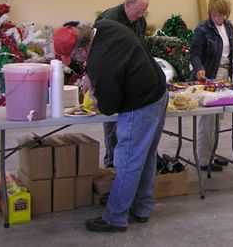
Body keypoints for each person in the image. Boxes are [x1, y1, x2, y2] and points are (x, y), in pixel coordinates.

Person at [53, 19, 167, 232]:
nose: (76, 62)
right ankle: (141, 209)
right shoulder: (104, 26)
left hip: (141, 102)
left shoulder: (100, 62)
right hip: (158, 91)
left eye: (76, 56)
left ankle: (115, 218)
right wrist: (88, 75)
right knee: (146, 155)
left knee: (127, 161)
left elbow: (109, 106)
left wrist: (96, 99)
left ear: (84, 48)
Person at [190, 0, 233, 172]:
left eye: (221, 15)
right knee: (207, 120)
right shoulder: (202, 29)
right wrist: (199, 68)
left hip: (224, 75)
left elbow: (228, 50)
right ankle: (203, 160)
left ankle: (211, 154)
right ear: (210, 13)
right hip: (208, 75)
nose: (218, 18)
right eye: (215, 15)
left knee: (218, 118)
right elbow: (194, 53)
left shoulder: (228, 27)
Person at [96, 0, 150, 168]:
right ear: (127, 4)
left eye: (144, 12)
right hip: (112, 76)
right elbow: (98, 52)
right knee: (111, 119)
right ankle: (112, 162)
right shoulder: (109, 20)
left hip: (130, 78)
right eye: (139, 11)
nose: (141, 15)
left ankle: (125, 161)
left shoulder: (140, 21)